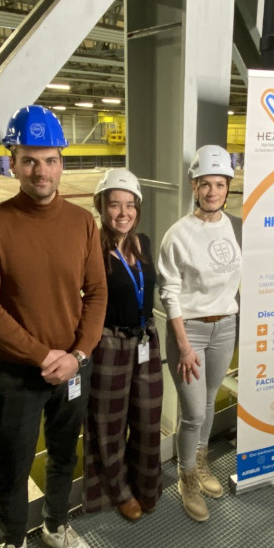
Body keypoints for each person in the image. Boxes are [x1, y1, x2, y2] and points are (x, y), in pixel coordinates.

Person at [0, 105, 107, 548]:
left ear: (61, 162)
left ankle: (56, 525)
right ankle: (12, 541)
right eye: (29, 160)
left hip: (71, 368)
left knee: (65, 453)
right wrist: (43, 354)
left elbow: (97, 293)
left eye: (49, 160)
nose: (40, 171)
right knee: (14, 462)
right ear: (12, 162)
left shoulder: (82, 223)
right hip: (19, 376)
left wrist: (78, 353)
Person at [158, 145, 242, 523]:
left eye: (220, 184)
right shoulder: (178, 234)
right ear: (194, 186)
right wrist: (184, 344)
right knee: (192, 412)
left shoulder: (233, 225)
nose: (212, 192)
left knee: (209, 400)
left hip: (226, 325)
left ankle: (202, 461)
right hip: (189, 330)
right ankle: (186, 477)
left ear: (228, 187)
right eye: (205, 184)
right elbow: (169, 292)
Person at [83, 169, 163, 521]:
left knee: (147, 418)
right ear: (101, 207)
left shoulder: (142, 242)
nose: (122, 213)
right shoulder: (91, 251)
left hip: (146, 338)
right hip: (109, 343)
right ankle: (118, 489)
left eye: (129, 205)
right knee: (108, 423)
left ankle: (146, 482)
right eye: (114, 205)